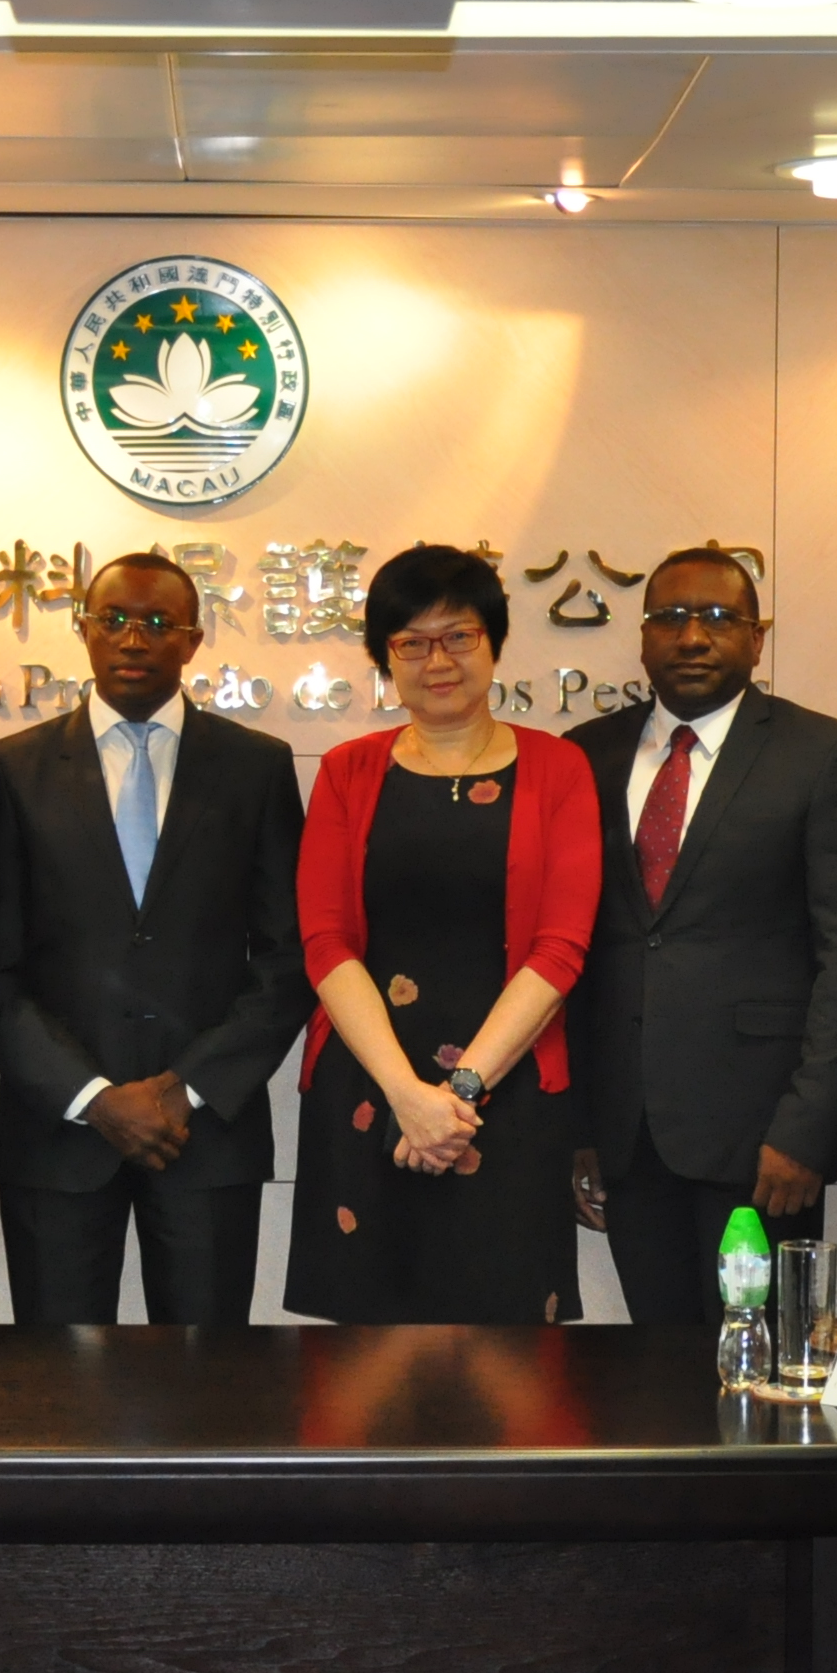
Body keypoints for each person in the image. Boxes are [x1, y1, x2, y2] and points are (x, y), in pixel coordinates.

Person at [0, 552, 310, 1325]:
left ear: (193, 640)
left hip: (207, 1132)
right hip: (57, 1131)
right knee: (56, 1381)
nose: (134, 639)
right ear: (83, 630)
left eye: (159, 623)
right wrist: (91, 1096)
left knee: (206, 1376)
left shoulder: (256, 767)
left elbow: (288, 956)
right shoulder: (9, 770)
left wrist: (184, 1088)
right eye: (115, 620)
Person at [566, 548, 837, 1318]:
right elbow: (575, 954)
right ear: (643, 637)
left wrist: (808, 1130)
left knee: (760, 1363)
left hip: (765, 1141)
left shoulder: (823, 755)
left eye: (718, 618)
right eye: (670, 618)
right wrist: (579, 1129)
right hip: (627, 1136)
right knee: (653, 1364)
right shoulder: (586, 754)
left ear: (757, 638)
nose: (692, 637)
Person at [285, 544, 600, 1323]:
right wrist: (406, 1096)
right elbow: (325, 942)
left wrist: (456, 1098)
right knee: (365, 1358)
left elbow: (560, 949)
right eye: (412, 643)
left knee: (509, 1352)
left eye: (459, 636)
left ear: (494, 642)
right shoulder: (347, 771)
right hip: (370, 1090)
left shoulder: (559, 768)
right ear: (385, 658)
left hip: (508, 1093)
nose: (438, 661)